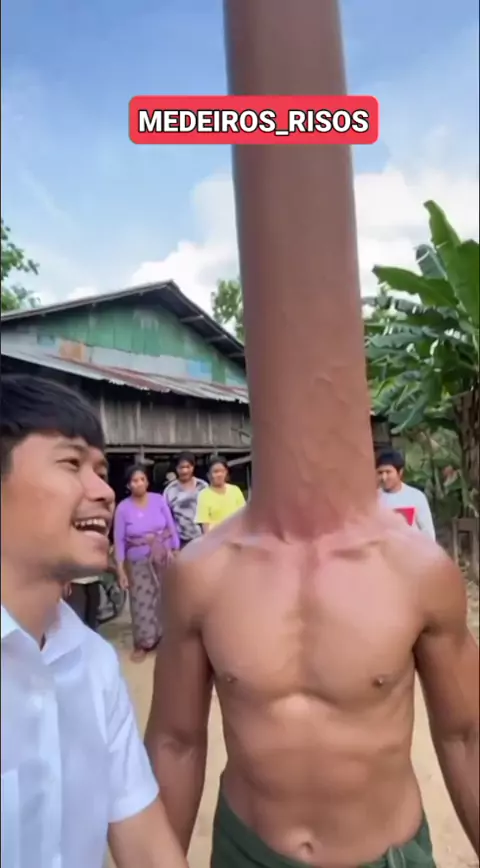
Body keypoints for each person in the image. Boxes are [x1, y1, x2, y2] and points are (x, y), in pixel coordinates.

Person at [144, 2, 478, 866]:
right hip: (246, 848)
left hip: (387, 851)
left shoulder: (419, 572)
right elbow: (175, 742)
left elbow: (465, 737)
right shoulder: (203, 574)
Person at [1, 373, 188, 868]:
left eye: (102, 470)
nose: (104, 490)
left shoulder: (95, 664)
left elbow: (144, 841)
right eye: (71, 463)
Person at [114, 464, 180, 662]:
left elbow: (171, 526)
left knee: (165, 599)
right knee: (141, 602)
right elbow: (119, 540)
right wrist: (120, 570)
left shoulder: (158, 500)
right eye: (135, 481)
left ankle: (164, 640)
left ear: (147, 482)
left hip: (163, 557)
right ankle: (143, 643)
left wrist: (175, 549)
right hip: (138, 560)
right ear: (128, 485)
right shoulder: (123, 508)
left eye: (142, 479)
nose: (139, 483)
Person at [377, 449, 436, 540]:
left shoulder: (416, 496)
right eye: (380, 473)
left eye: (388, 472)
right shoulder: (374, 498)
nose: (384, 477)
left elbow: (427, 532)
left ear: (400, 472)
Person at [164, 452, 207, 548]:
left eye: (188, 467)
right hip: (179, 541)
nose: (184, 471)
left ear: (193, 467)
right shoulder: (170, 490)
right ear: (176, 468)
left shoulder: (202, 486)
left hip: (201, 539)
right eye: (181, 467)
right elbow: (166, 518)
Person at [195, 456, 245, 532]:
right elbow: (205, 525)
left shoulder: (235, 490)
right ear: (209, 475)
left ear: (226, 472)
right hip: (216, 536)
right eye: (216, 472)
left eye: (222, 471)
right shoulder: (204, 495)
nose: (219, 475)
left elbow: (243, 517)